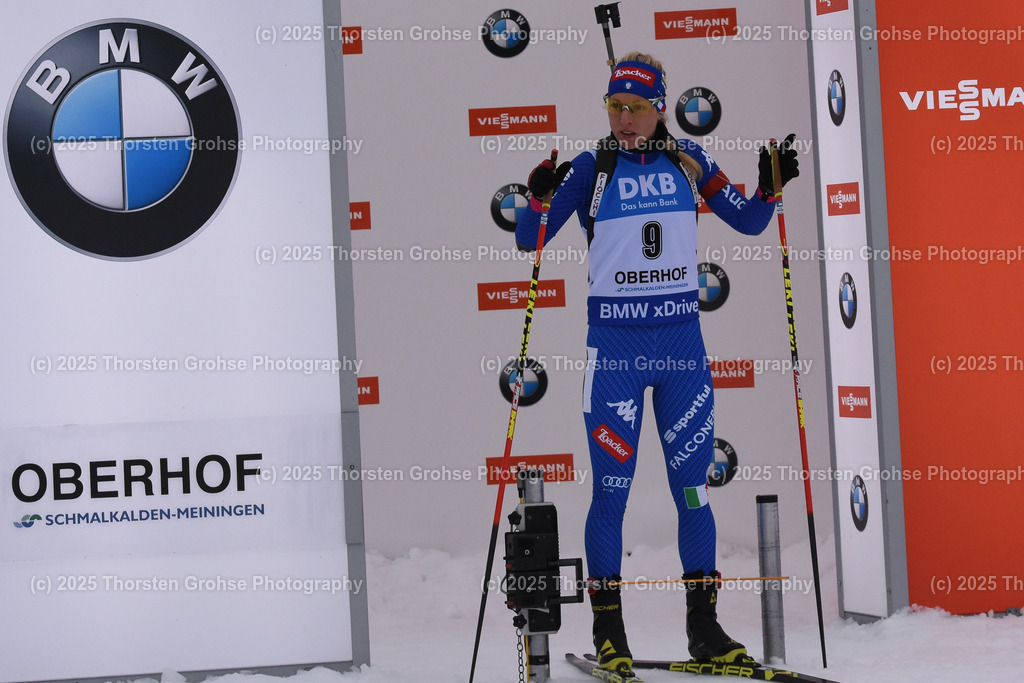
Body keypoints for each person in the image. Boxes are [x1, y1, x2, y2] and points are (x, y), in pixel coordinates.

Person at [514, 52, 798, 676]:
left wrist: (772, 186)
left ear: (660, 108)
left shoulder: (691, 163)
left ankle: (705, 628)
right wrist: (536, 202)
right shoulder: (593, 167)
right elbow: (528, 239)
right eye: (615, 106)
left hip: (681, 353)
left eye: (637, 108)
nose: (624, 119)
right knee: (610, 495)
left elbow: (749, 221)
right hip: (613, 352)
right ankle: (609, 631)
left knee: (694, 491)